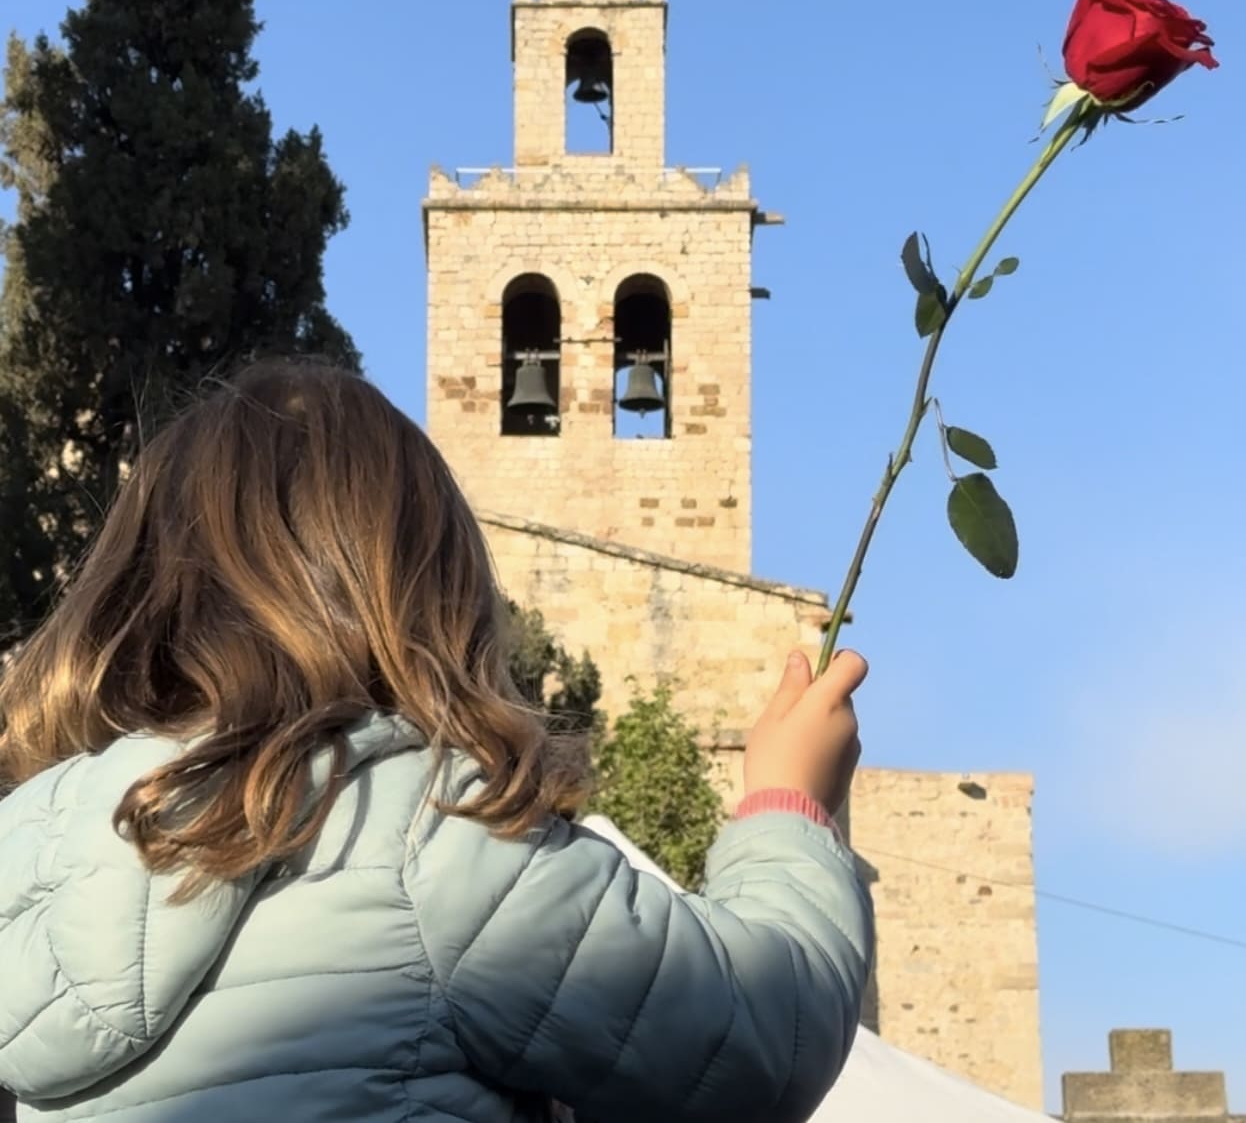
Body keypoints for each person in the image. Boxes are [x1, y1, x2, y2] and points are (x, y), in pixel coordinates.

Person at [0, 360, 872, 1122]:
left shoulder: (34, 848)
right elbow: (761, 1039)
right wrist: (788, 807)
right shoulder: (431, 836)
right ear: (429, 583)